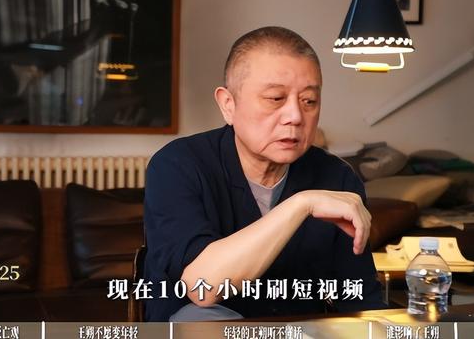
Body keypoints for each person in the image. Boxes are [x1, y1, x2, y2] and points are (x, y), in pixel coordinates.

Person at [143, 26, 385, 321]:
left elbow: (360, 299)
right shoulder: (177, 165)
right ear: (228, 104)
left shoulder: (337, 178)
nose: (295, 117)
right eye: (275, 98)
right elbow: (202, 288)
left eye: (309, 101)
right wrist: (302, 204)